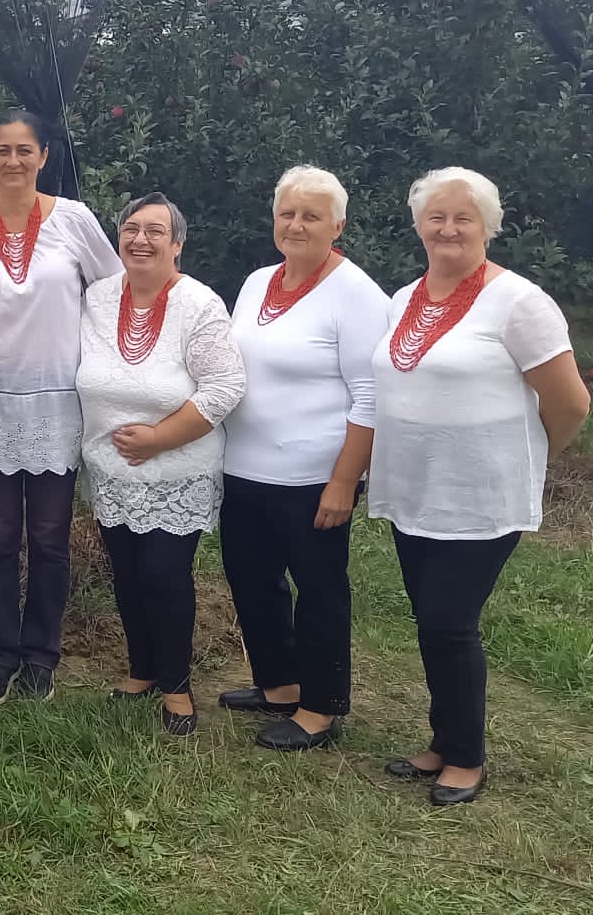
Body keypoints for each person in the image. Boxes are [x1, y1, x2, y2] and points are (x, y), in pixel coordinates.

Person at [370, 167, 590, 805]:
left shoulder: (520, 303)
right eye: (436, 217)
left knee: (449, 621)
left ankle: (466, 758)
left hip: (480, 496)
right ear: (419, 225)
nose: (448, 228)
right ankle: (444, 741)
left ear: (488, 226)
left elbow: (571, 403)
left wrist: (527, 456)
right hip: (415, 490)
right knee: (431, 621)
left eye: (462, 217)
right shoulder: (405, 297)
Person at [0, 110, 121, 704]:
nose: (13, 160)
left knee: (48, 538)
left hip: (57, 404)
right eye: (2, 150)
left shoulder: (75, 220)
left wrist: (111, 370)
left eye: (24, 150)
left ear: (43, 156)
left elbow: (112, 294)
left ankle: (42, 654)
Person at [217, 166, 390, 751]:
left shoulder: (355, 294)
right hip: (244, 467)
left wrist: (344, 481)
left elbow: (371, 395)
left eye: (311, 216)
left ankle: (320, 706)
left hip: (314, 476)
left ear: (337, 225)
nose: (296, 225)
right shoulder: (257, 281)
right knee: (253, 579)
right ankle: (279, 684)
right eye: (286, 213)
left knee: (319, 588)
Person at [77, 192, 247, 736]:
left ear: (177, 244)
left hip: (176, 470)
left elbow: (226, 385)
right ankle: (142, 669)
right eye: (131, 228)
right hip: (110, 469)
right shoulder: (99, 297)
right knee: (126, 573)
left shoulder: (199, 304)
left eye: (155, 230)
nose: (140, 239)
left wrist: (159, 438)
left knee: (164, 576)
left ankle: (177, 686)